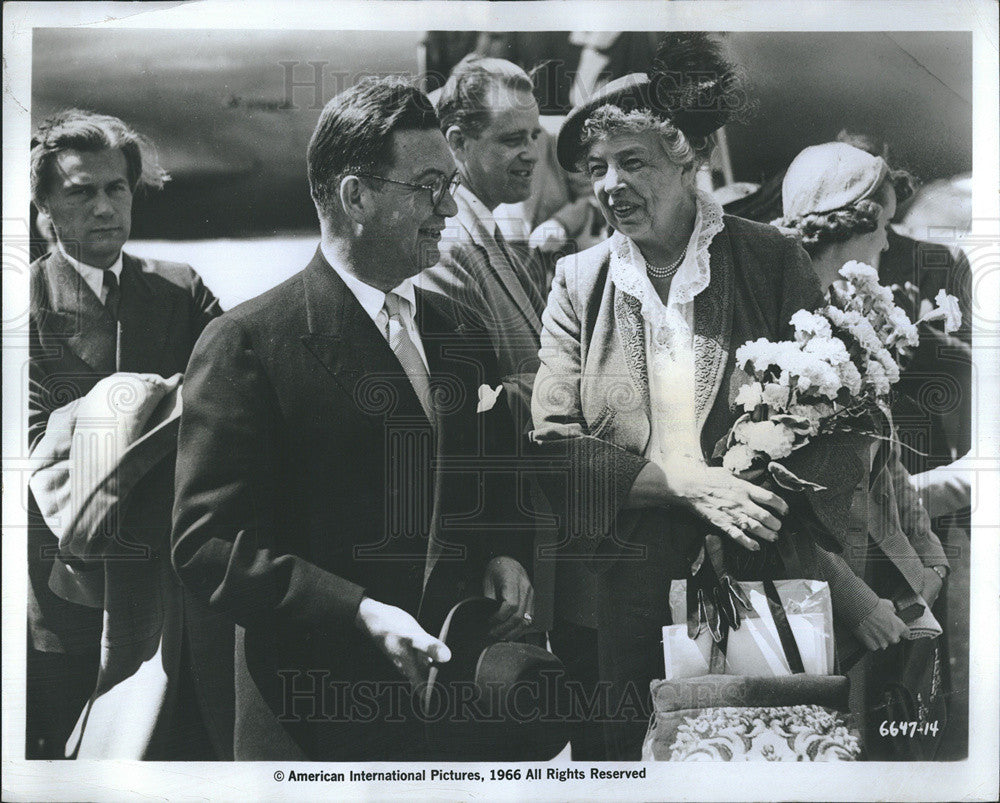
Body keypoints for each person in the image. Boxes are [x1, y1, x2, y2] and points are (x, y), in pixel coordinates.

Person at [170, 77, 534, 761]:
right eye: (428, 186)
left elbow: (492, 470)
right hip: (314, 714)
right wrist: (360, 611)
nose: (449, 209)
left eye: (450, 186)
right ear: (355, 196)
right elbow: (206, 543)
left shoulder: (459, 331)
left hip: (454, 708)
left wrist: (504, 548)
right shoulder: (247, 341)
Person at [529, 34, 816, 759]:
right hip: (612, 609)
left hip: (756, 586)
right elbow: (553, 447)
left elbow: (837, 423)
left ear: (685, 157)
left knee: (755, 767)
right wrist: (685, 482)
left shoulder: (771, 260)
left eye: (632, 162)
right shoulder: (578, 282)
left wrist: (749, 493)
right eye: (597, 169)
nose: (610, 184)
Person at [27, 109, 227, 758]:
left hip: (171, 570)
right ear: (45, 205)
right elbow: (32, 444)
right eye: (80, 191)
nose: (105, 205)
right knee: (60, 749)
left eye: (117, 188)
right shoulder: (22, 305)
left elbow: (231, 403)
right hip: (66, 578)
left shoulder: (180, 288)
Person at [775, 141, 952, 750]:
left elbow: (886, 456)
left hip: (886, 585)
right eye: (882, 224)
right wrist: (857, 603)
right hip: (815, 601)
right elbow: (768, 500)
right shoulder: (773, 330)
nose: (885, 243)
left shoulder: (846, 313)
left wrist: (928, 551)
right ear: (850, 224)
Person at [417, 55, 545, 419]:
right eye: (512, 139)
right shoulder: (445, 245)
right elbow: (477, 402)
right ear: (457, 143)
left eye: (534, 135)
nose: (532, 154)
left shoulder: (481, 224)